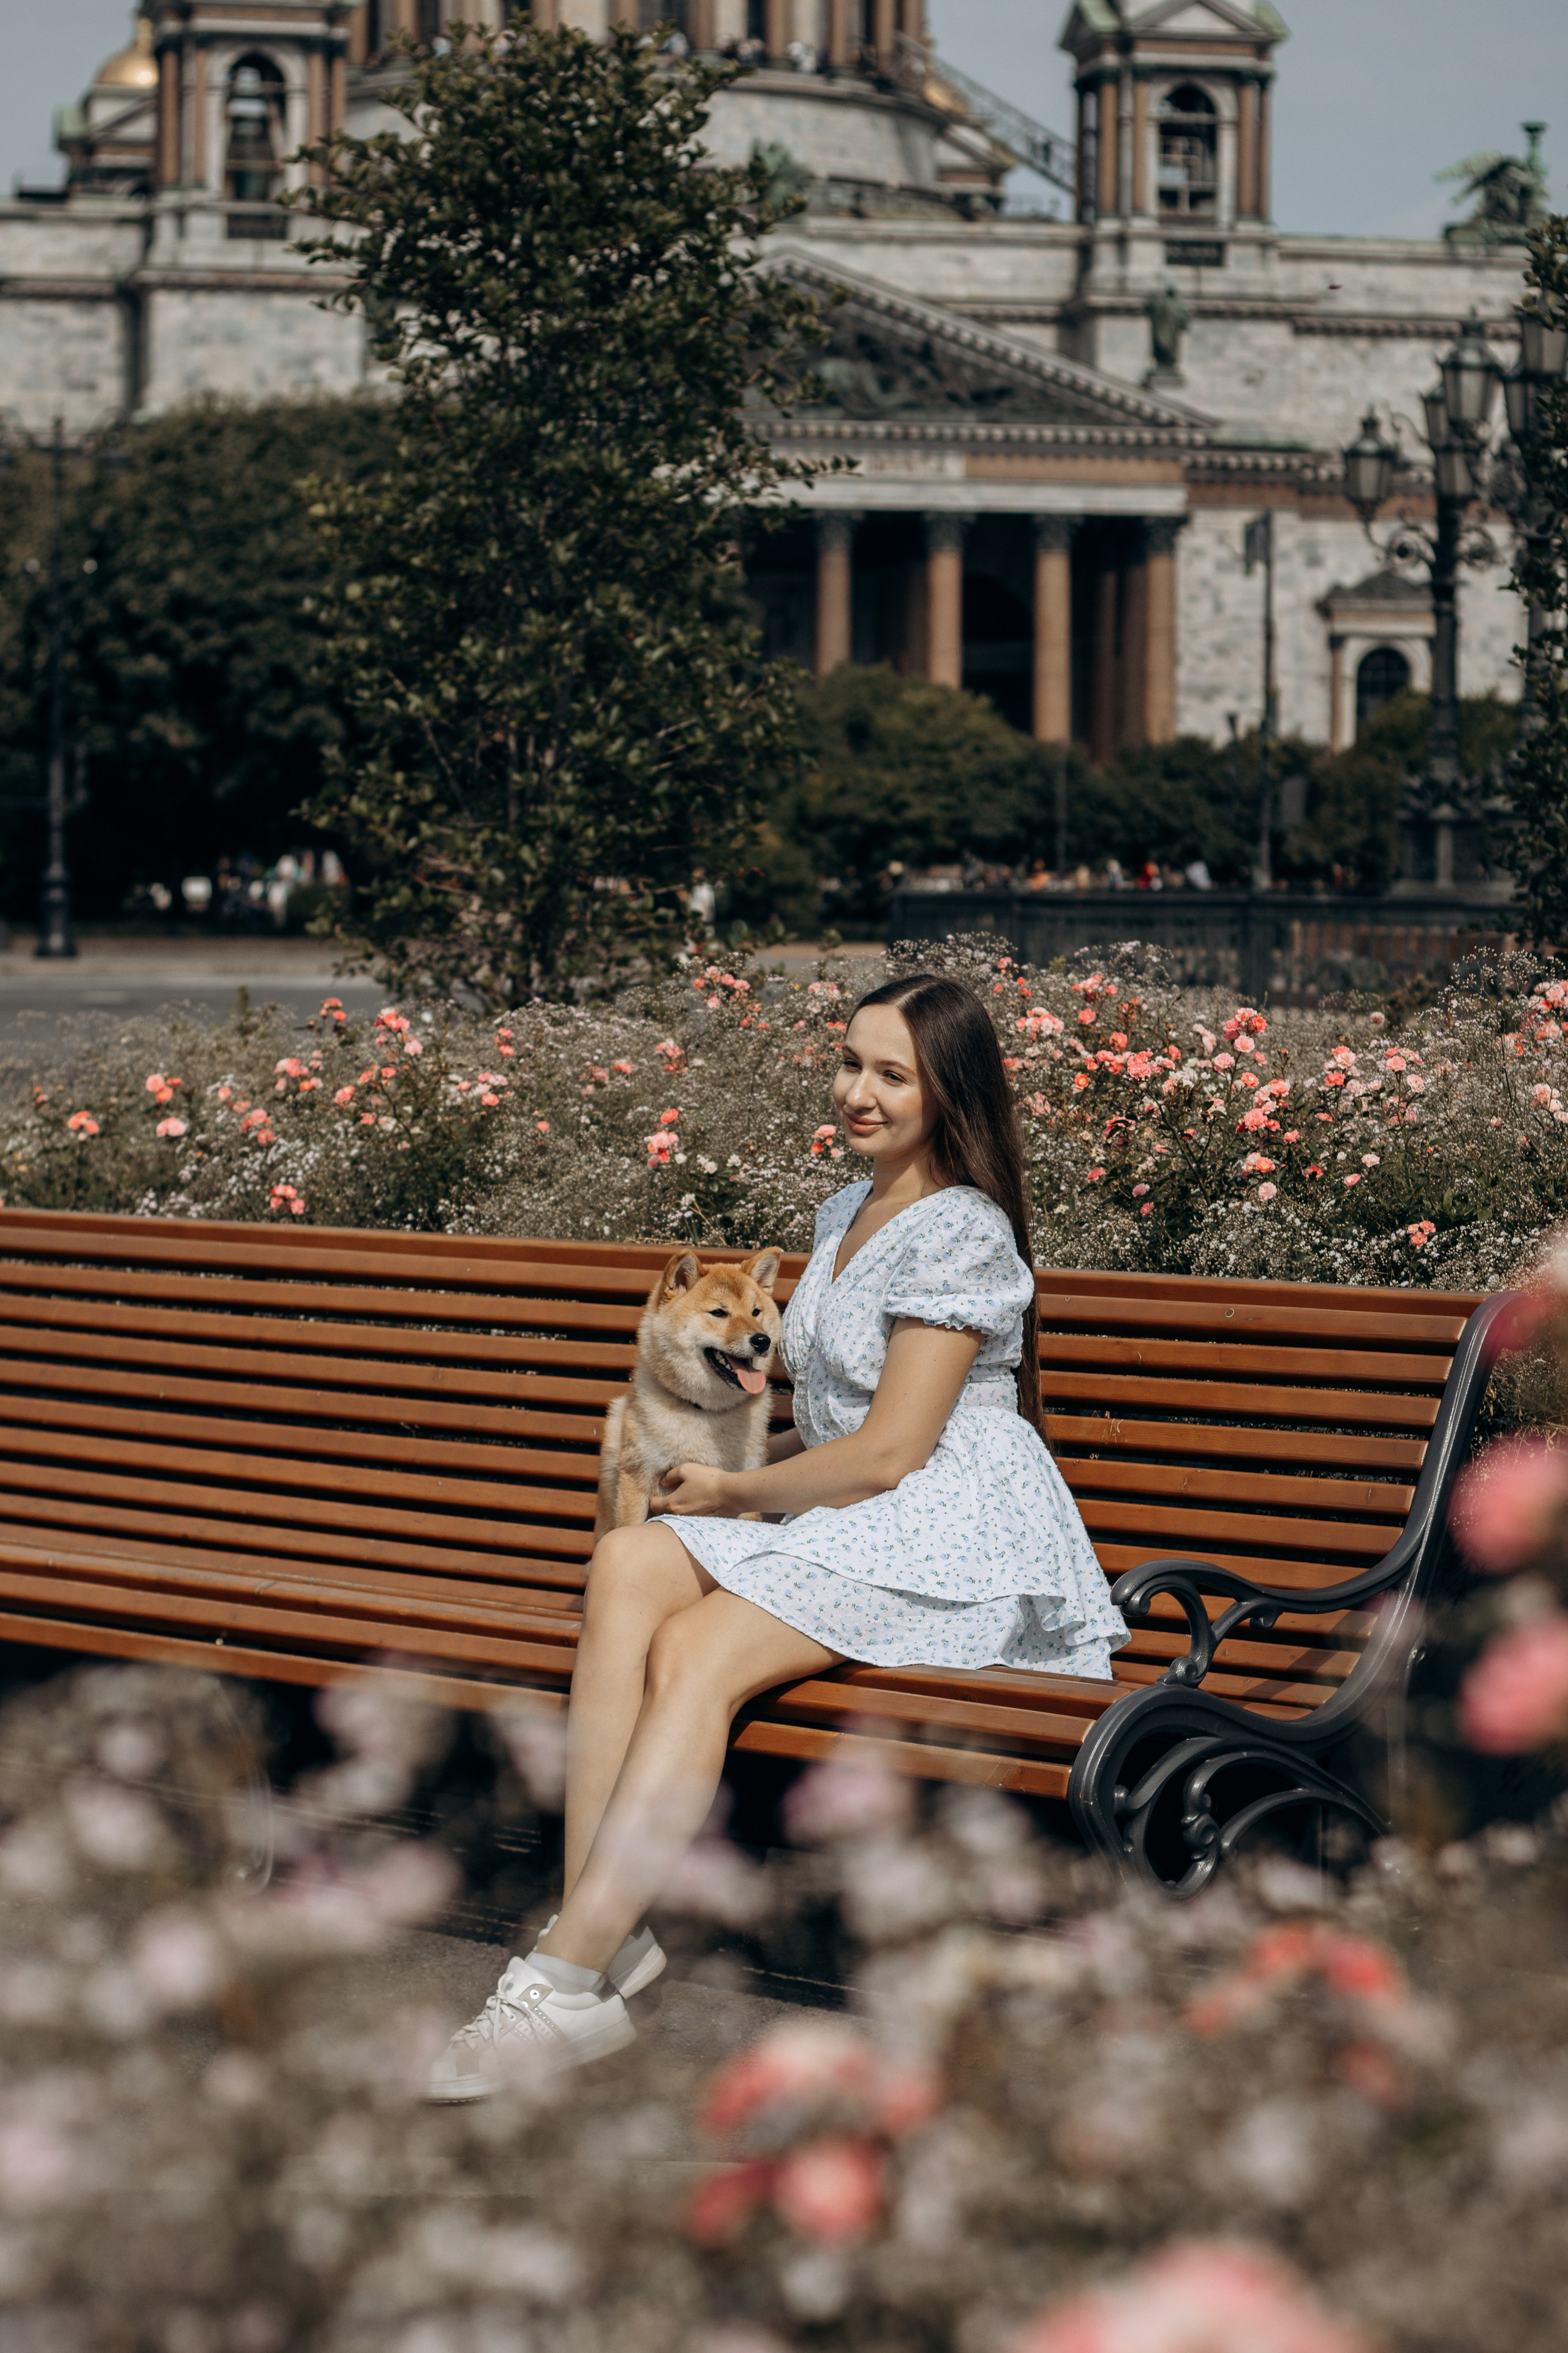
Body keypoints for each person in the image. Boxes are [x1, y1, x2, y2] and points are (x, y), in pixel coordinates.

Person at [428, 975, 1128, 2101]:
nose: (858, 1090)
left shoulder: (965, 1229)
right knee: (626, 1560)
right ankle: (594, 1947)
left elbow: (897, 1449)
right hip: (858, 1515)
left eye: (891, 1072)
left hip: (950, 1526)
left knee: (694, 1651)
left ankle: (557, 1978)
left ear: (949, 1092)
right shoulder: (841, 1210)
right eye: (850, 1062)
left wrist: (742, 1498)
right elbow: (835, 1420)